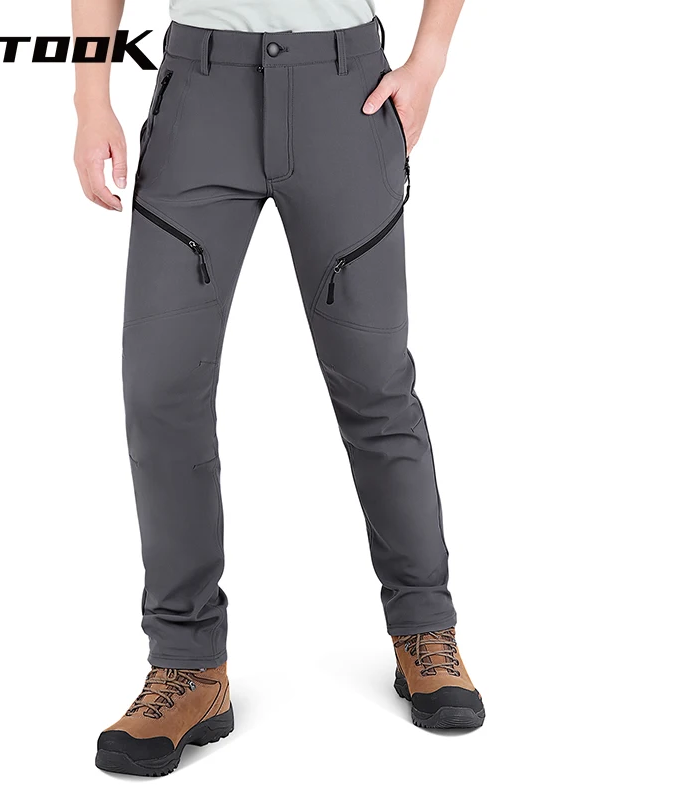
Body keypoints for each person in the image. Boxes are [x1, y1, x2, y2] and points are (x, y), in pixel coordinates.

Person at [72, 0, 484, 776]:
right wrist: (90, 98)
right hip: (200, 100)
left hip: (345, 94)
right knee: (161, 389)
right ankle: (188, 665)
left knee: (375, 384)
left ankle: (425, 627)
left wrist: (429, 59)